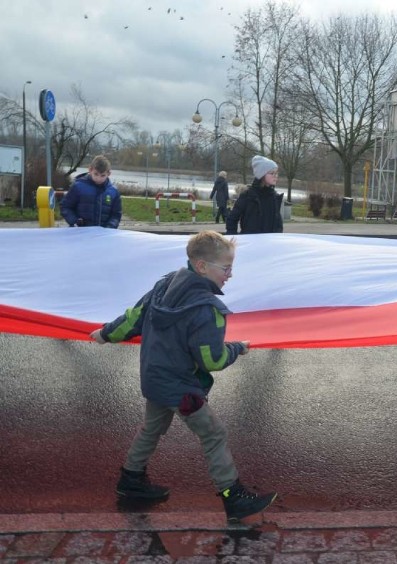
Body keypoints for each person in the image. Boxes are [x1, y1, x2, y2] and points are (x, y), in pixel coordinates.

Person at [89, 230, 277, 524]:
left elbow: (132, 318)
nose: (230, 275)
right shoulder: (207, 309)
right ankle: (234, 497)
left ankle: (131, 480)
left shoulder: (163, 285)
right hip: (182, 390)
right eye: (226, 268)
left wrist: (104, 333)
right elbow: (211, 359)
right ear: (202, 266)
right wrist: (237, 349)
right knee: (213, 435)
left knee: (151, 429)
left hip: (154, 379)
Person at [60, 155, 122, 228]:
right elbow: (65, 207)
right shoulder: (78, 186)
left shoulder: (114, 191)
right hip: (80, 232)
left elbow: (116, 214)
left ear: (108, 174)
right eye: (96, 174)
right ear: (90, 170)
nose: (99, 178)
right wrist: (74, 221)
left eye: (103, 175)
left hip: (104, 235)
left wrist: (110, 227)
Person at [226, 156, 283, 234]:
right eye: (272, 173)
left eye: (277, 173)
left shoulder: (275, 197)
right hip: (251, 243)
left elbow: (278, 224)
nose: (275, 176)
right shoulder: (247, 195)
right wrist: (234, 238)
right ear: (261, 175)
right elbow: (232, 219)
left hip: (270, 243)